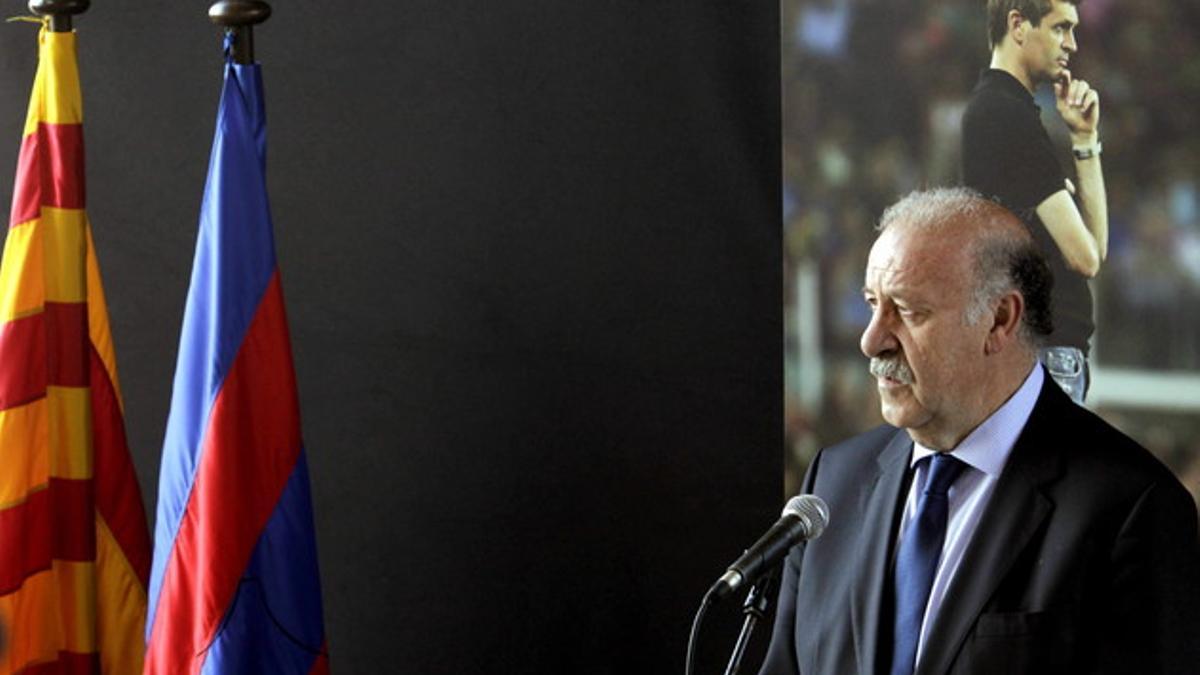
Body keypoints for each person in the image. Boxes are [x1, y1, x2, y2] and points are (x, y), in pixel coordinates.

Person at [758, 188, 1200, 675]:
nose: (871, 340)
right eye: (871, 304)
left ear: (999, 319)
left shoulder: (1132, 510)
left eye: (908, 311)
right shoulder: (833, 485)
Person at [961, 0, 1107, 404]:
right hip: (1042, 356)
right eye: (1061, 28)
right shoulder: (1005, 116)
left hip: (1037, 355)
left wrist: (1084, 142)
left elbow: (1095, 249)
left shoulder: (1003, 111)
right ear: (1018, 25)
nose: (1072, 44)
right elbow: (1086, 259)